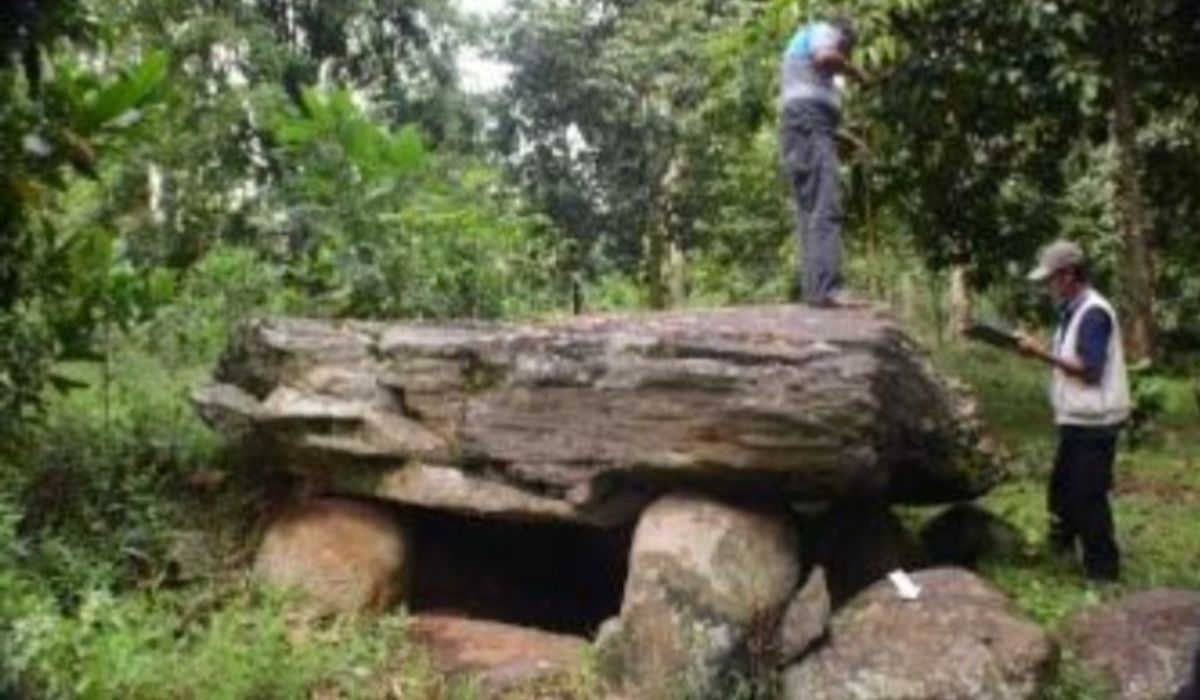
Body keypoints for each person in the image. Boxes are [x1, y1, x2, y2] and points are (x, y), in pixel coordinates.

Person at [1016, 240, 1130, 582]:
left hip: (1096, 422)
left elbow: (1090, 369)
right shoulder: (1074, 311)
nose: (1048, 287)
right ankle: (1062, 552)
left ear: (1068, 275)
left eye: (1051, 279)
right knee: (1062, 490)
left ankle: (1103, 572)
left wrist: (1039, 354)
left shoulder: (1093, 312)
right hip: (1076, 418)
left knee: (1087, 497)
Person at [779, 16, 869, 308]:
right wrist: (858, 73)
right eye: (848, 49)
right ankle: (829, 288)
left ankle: (816, 291)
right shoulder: (822, 32)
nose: (847, 56)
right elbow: (825, 57)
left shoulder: (807, 56)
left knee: (811, 209)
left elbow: (812, 114)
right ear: (843, 38)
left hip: (804, 128)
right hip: (808, 126)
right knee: (825, 204)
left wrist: (848, 141)